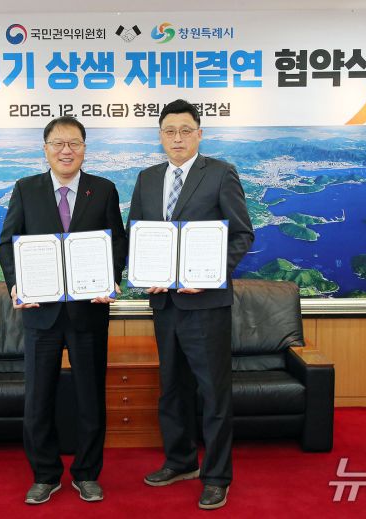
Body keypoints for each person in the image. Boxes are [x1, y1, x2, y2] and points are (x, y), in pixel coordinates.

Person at [127, 99, 254, 510]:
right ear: (160, 136)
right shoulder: (147, 178)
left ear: (199, 134)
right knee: (172, 389)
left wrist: (210, 275)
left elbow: (242, 234)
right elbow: (137, 233)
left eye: (185, 130)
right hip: (164, 305)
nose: (177, 138)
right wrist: (142, 271)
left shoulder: (220, 173)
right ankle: (180, 461)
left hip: (207, 306)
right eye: (169, 131)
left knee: (213, 393)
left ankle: (216, 476)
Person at [0, 116, 127, 505]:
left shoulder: (103, 189)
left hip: (89, 311)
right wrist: (16, 285)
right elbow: (8, 243)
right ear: (46, 149)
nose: (66, 150)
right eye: (58, 143)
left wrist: (110, 279)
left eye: (74, 143)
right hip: (41, 312)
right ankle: (45, 474)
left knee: (90, 397)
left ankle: (87, 473)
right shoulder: (26, 188)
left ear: (84, 148)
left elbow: (116, 243)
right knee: (38, 399)